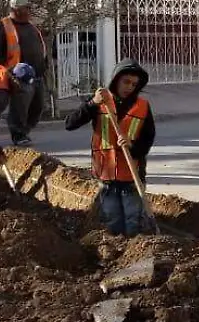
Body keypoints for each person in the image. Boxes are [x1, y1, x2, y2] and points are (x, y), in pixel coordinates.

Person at [64, 60, 156, 236]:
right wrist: (92, 103)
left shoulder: (142, 106)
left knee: (133, 220)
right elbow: (70, 123)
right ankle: (117, 253)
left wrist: (132, 145)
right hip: (106, 176)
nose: (129, 87)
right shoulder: (100, 102)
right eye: (126, 82)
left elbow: (148, 138)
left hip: (132, 176)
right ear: (116, 80)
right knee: (112, 219)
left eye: (134, 84)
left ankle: (134, 251)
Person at [0, 0, 47, 147]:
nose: (29, 10)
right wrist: (8, 75)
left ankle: (25, 131)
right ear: (17, 9)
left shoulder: (31, 26)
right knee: (19, 106)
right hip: (18, 76)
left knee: (38, 106)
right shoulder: (2, 26)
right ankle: (18, 134)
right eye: (26, 8)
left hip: (37, 75)